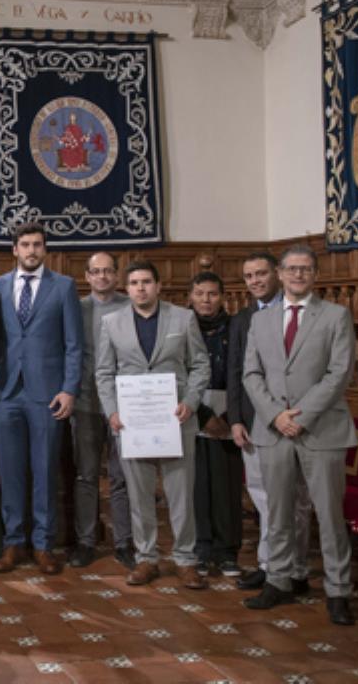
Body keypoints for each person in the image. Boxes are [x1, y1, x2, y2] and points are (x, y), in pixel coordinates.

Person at [241, 246, 358, 626]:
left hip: (321, 429)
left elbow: (339, 372)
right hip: (273, 431)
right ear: (280, 272)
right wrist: (276, 415)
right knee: (277, 512)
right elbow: (251, 375)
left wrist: (301, 417)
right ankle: (279, 580)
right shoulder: (261, 320)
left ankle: (338, 590)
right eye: (291, 269)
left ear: (315, 274)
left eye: (305, 269)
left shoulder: (336, 316)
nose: (297, 275)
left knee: (328, 515)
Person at [96, 260, 210, 590]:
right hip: (131, 422)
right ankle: (146, 557)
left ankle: (186, 559)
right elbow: (103, 372)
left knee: (180, 493)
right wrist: (111, 412)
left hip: (176, 418)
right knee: (139, 493)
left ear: (158, 286)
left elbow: (200, 365)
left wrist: (190, 402)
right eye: (134, 283)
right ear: (126, 287)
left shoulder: (183, 318)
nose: (141, 288)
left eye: (147, 281)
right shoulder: (112, 322)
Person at [0, 222, 82, 576]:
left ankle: (44, 545)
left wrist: (69, 388)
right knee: (9, 472)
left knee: (44, 471)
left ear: (45, 249)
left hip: (48, 394)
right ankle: (13, 542)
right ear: (14, 249)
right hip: (7, 392)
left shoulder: (64, 287)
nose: (31, 251)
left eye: (37, 245)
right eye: (25, 245)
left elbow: (74, 344)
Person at [227, 251, 314, 595]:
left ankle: (297, 569)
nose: (255, 281)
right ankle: (269, 565)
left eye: (261, 274)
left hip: (296, 422)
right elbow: (236, 372)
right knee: (263, 497)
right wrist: (235, 419)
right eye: (249, 276)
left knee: (297, 501)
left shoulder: (303, 313)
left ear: (277, 274)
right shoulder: (242, 319)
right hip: (255, 422)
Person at [70, 251, 134, 570]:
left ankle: (125, 541)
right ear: (87, 276)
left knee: (123, 475)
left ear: (117, 275)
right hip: (84, 403)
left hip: (123, 405)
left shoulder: (130, 305)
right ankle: (85, 541)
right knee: (86, 475)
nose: (103, 277)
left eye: (108, 271)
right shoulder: (77, 309)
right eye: (96, 271)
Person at [188, 272, 243, 578]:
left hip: (230, 414)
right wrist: (203, 414)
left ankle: (227, 551)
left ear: (222, 296)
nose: (206, 300)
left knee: (227, 486)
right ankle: (201, 548)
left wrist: (230, 417)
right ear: (190, 296)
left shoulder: (236, 327)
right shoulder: (181, 326)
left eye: (212, 294)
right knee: (197, 484)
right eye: (200, 294)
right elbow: (178, 372)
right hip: (193, 411)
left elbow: (244, 371)